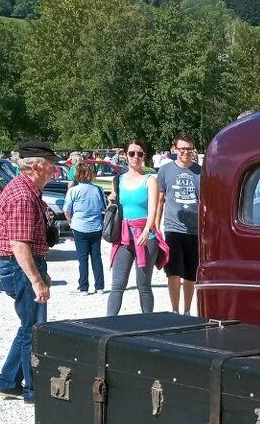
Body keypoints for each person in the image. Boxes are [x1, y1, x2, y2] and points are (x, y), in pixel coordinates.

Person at [0, 139, 56, 404]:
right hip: (20, 268)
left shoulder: (27, 190)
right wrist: (36, 280)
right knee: (34, 330)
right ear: (37, 167)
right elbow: (19, 244)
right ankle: (32, 391)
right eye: (51, 166)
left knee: (27, 328)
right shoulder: (22, 195)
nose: (54, 171)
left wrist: (42, 271)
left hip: (24, 266)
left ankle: (7, 381)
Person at [106, 139, 161, 315]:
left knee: (143, 285)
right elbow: (114, 203)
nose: (135, 157)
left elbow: (153, 208)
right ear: (125, 156)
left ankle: (148, 323)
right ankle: (109, 323)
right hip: (123, 235)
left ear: (144, 156)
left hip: (146, 236)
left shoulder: (150, 180)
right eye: (131, 153)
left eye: (139, 153)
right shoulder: (118, 180)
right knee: (117, 284)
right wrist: (111, 200)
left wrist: (147, 229)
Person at [156, 133, 201, 314]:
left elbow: (204, 203)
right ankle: (175, 309)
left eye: (189, 149)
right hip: (172, 228)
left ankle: (187, 310)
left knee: (191, 273)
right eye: (182, 148)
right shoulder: (165, 170)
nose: (185, 152)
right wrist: (155, 227)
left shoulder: (200, 172)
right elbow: (160, 200)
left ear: (193, 149)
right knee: (173, 271)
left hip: (194, 230)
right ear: (175, 149)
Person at [64, 161, 106, 294]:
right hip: (96, 226)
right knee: (96, 257)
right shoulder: (98, 189)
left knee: (82, 258)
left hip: (79, 226)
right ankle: (99, 286)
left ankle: (83, 287)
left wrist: (70, 222)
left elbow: (67, 210)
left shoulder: (73, 191)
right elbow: (104, 207)